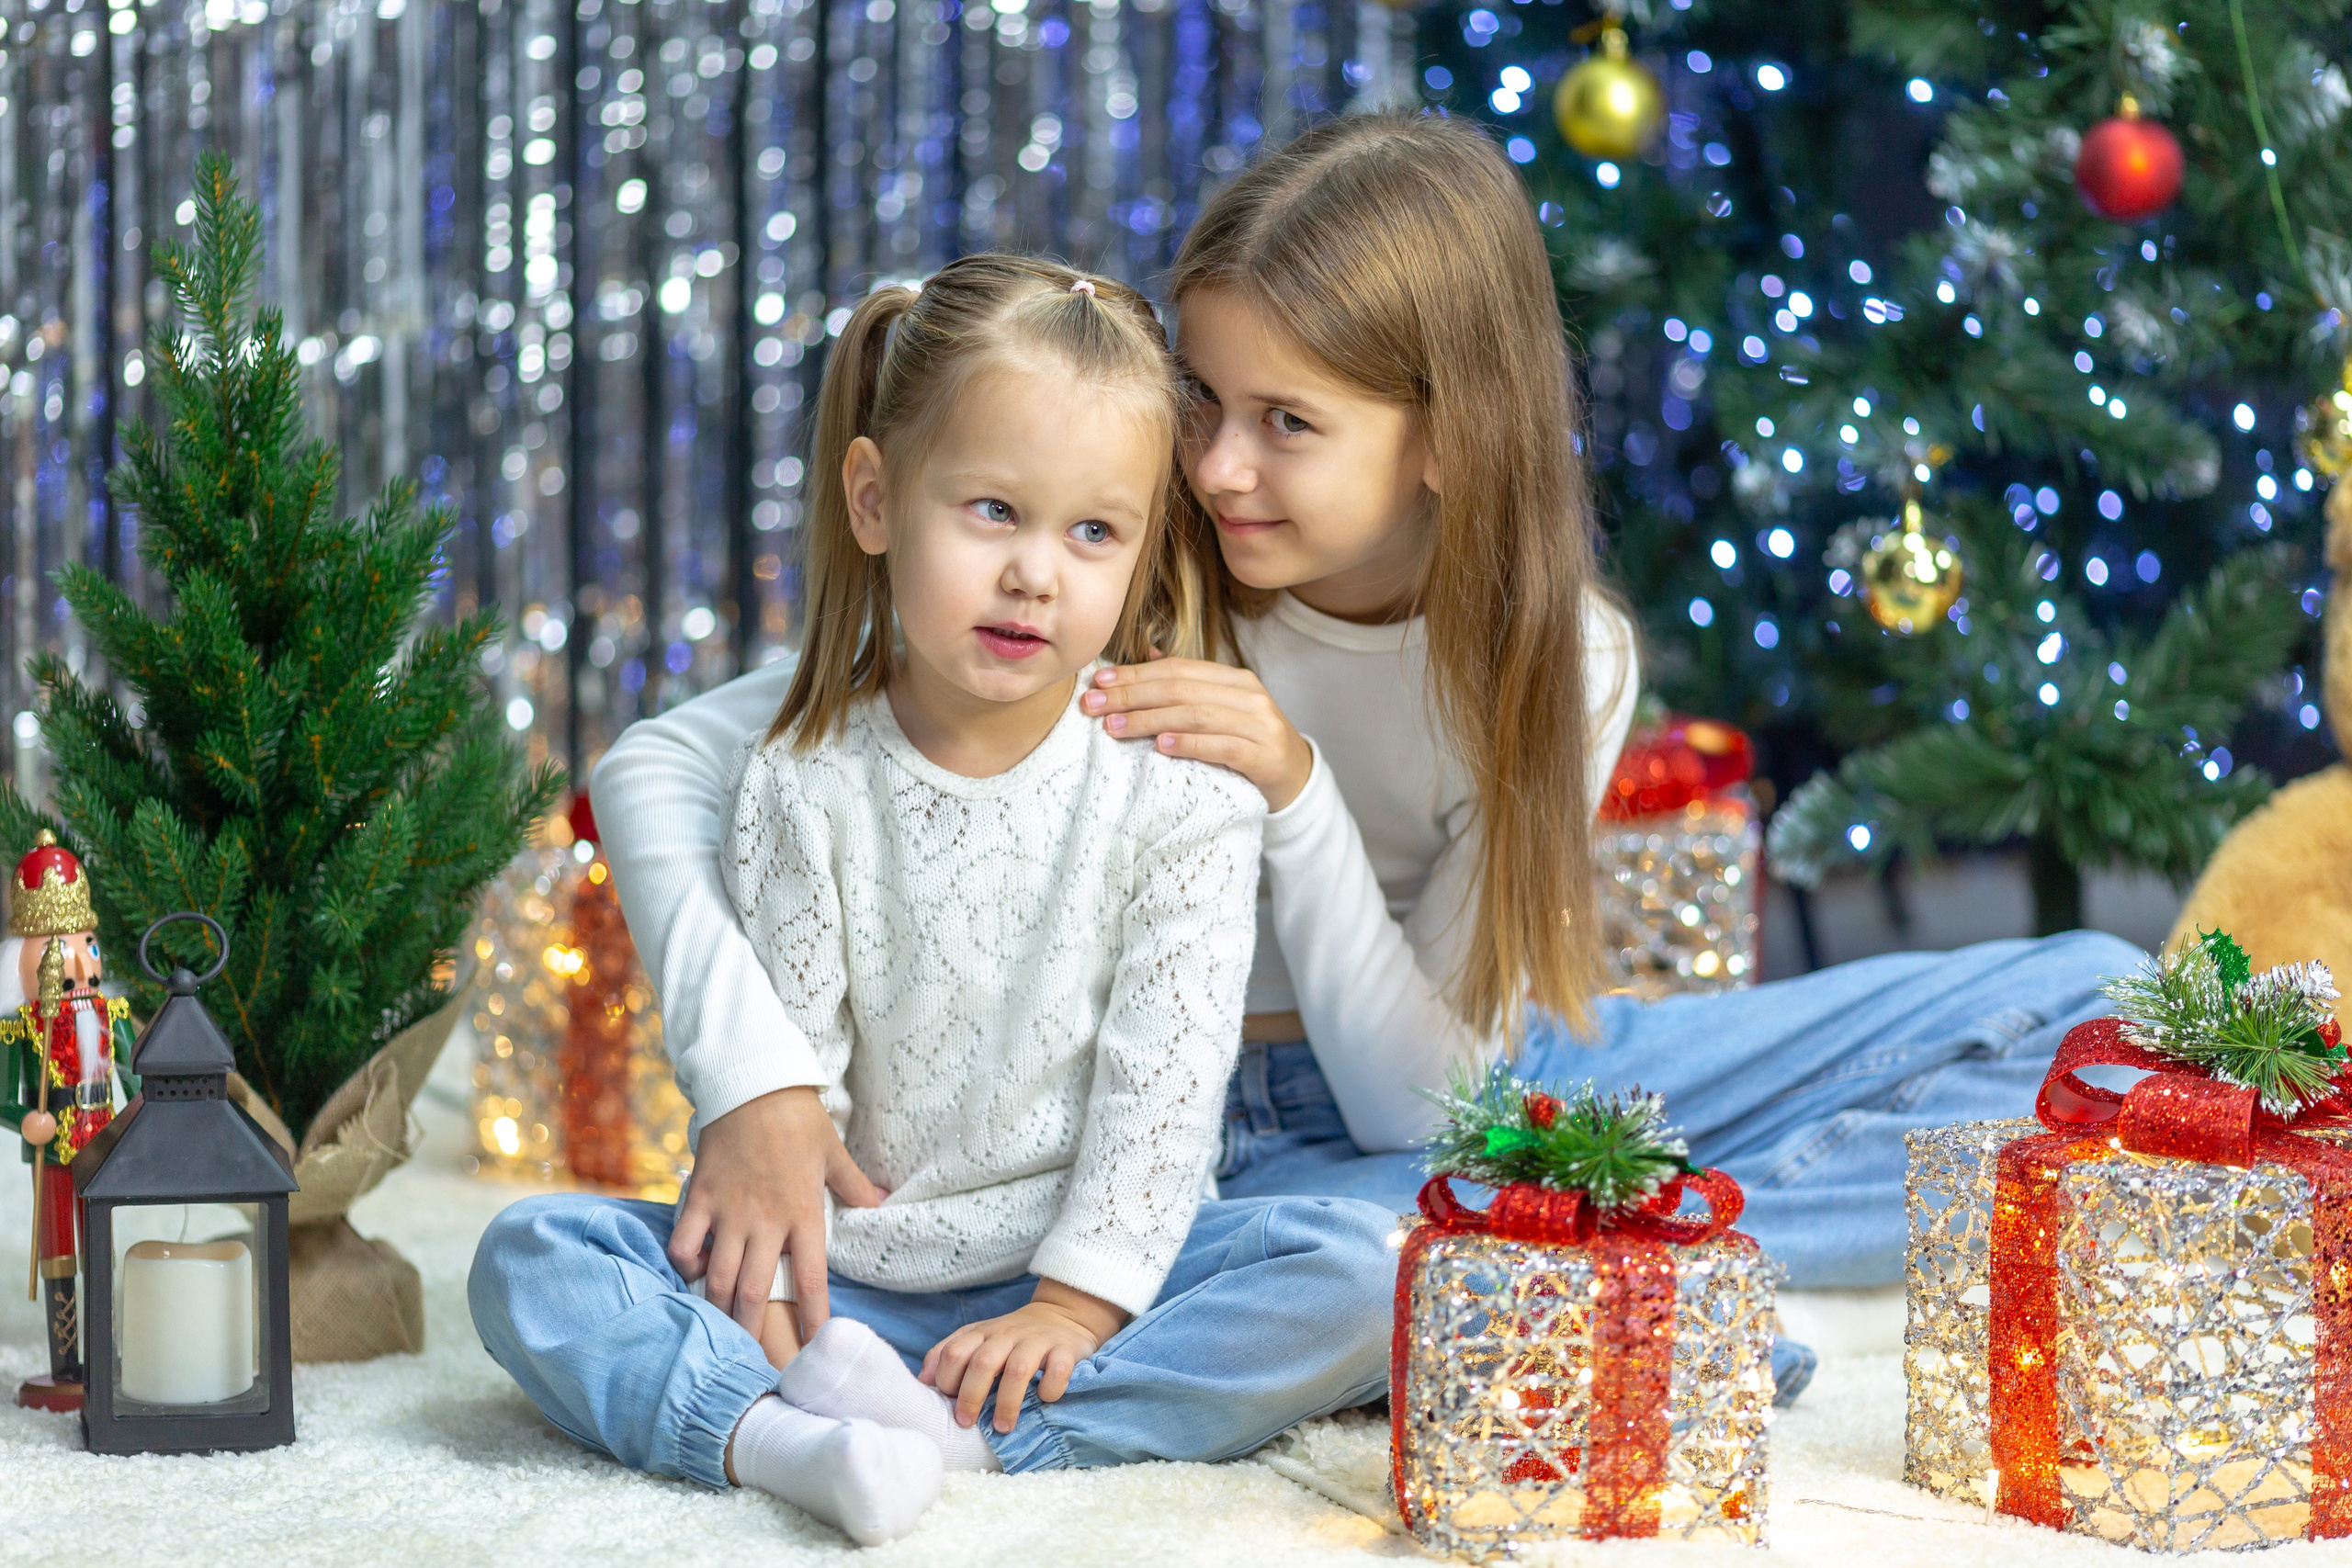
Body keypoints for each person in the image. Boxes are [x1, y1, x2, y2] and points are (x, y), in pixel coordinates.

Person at [594, 115, 2137, 1399]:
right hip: (1199, 1125)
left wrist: (1297, 791)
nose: (1215, 464)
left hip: (1456, 1083)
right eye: (1202, 399)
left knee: (2091, 999)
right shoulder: (1122, 557)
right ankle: (1584, 1257)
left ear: (1446, 440)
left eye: (1286, 421)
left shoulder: (1552, 652)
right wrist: (759, 1078)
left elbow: (1425, 1097)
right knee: (1356, 1260)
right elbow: (667, 766)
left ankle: (1621, 1243)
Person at [469, 255, 1394, 1547]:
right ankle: (779, 1437)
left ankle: (971, 1448)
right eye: (993, 512)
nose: (1036, 574)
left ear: (1139, 552)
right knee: (533, 1260)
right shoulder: (801, 781)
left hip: (1082, 1278)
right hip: (849, 1285)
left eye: (1092, 533)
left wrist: (1075, 1308)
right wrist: (782, 1303)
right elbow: (797, 1099)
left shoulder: (1181, 796)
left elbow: (1164, 1096)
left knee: (1363, 1273)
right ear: (875, 499)